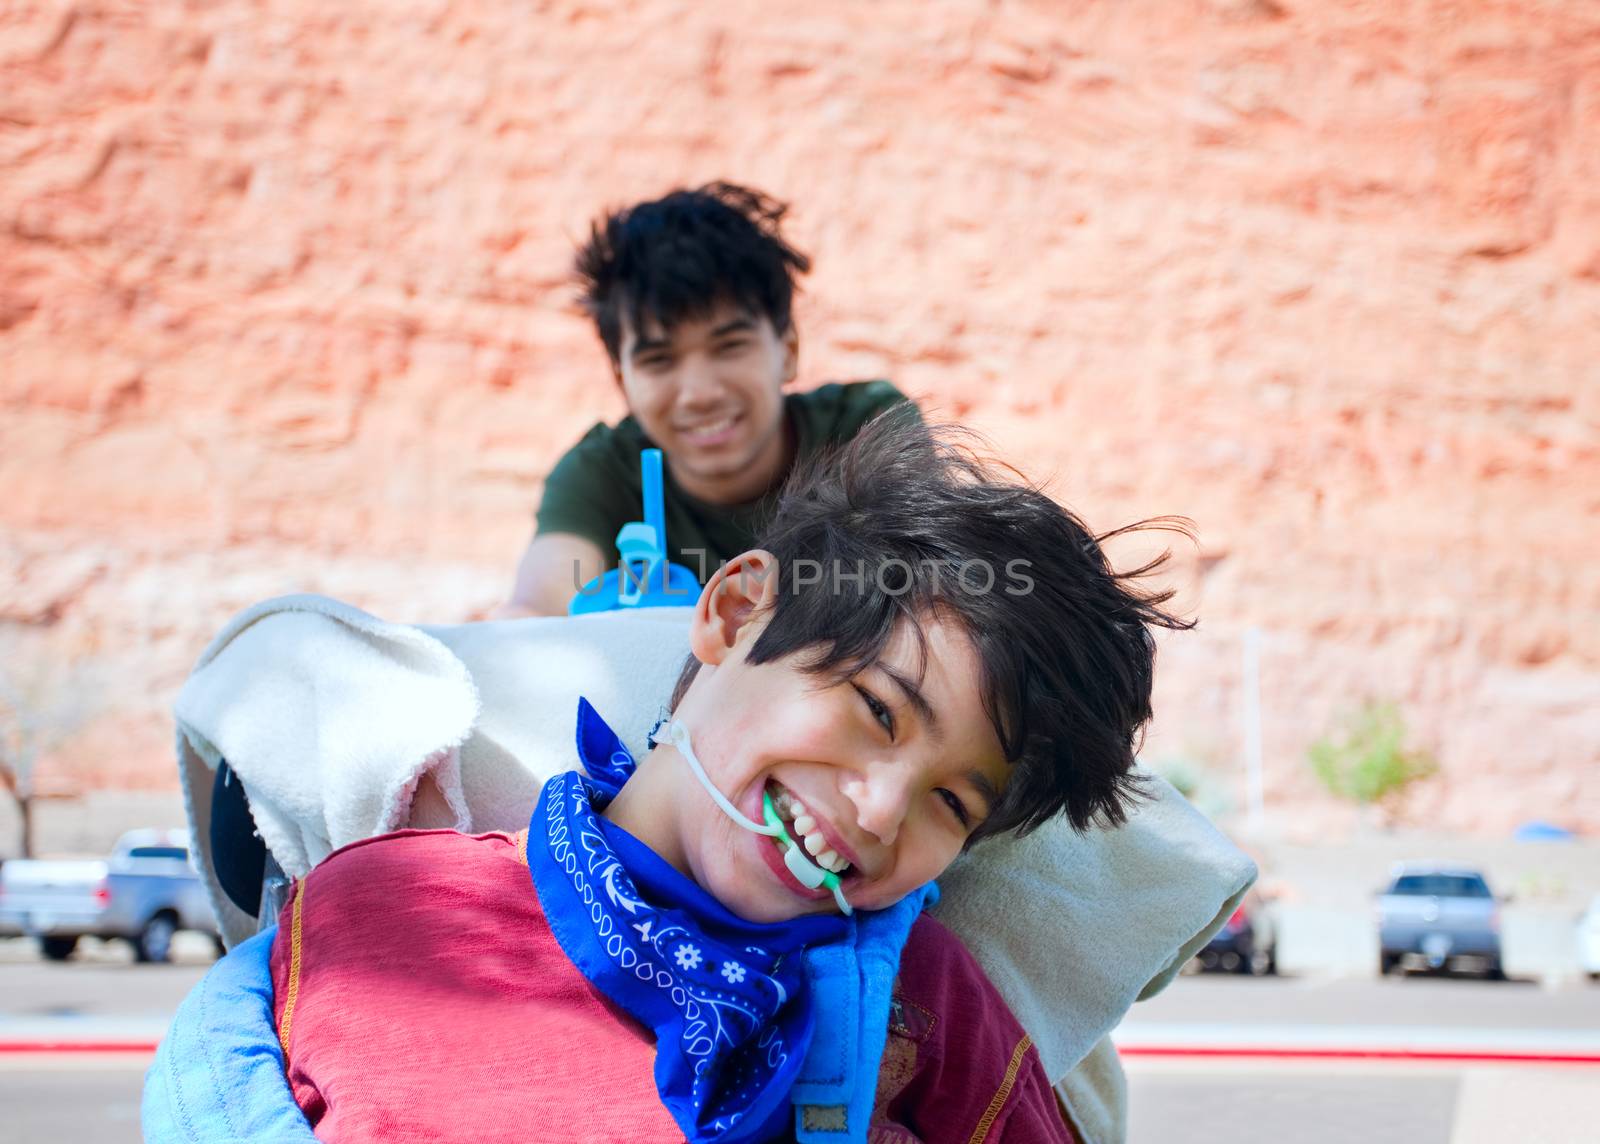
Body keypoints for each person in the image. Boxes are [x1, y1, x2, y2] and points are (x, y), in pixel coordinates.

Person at [150, 414, 1191, 1143]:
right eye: (877, 711)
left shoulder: (924, 1003)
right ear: (737, 613)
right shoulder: (382, 901)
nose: (880, 809)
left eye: (951, 802)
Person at [495, 182, 914, 618]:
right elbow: (537, 611)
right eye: (659, 360)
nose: (699, 394)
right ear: (623, 381)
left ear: (788, 350)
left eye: (730, 347)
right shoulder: (601, 474)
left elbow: (917, 590)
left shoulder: (869, 431)